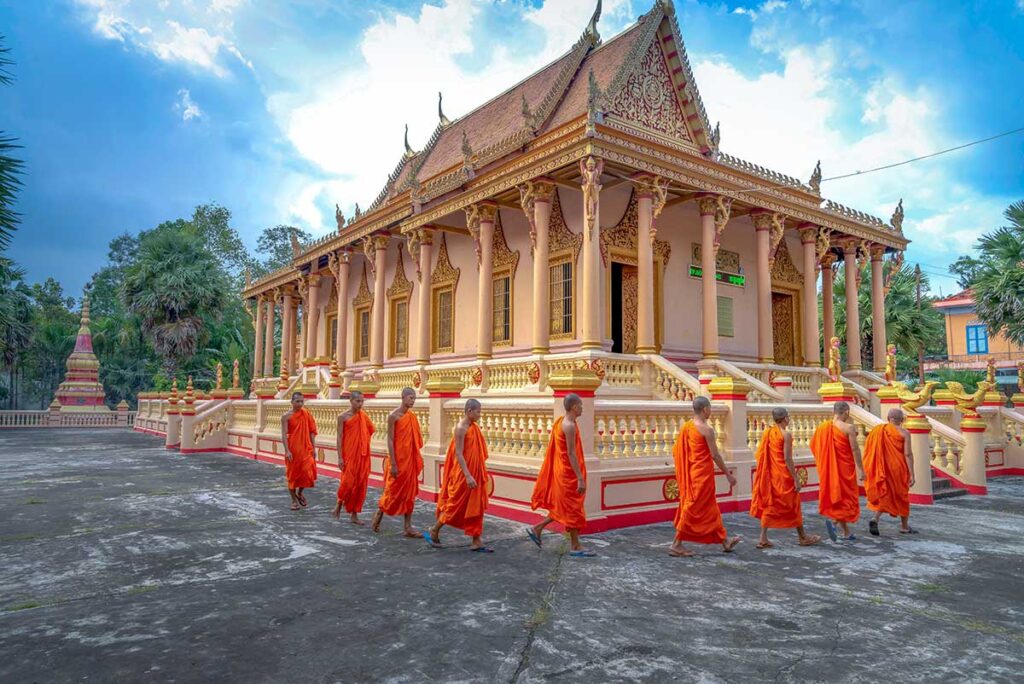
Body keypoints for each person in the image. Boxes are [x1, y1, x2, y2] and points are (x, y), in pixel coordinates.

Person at [668, 396, 741, 557]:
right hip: (700, 475)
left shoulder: (687, 427)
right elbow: (715, 455)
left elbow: (677, 450)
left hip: (696, 472)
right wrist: (728, 474)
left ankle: (725, 541)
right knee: (692, 507)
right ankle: (676, 544)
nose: (711, 411)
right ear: (704, 409)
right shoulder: (706, 430)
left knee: (710, 507)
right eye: (710, 408)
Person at [527, 393, 593, 557]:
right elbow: (571, 453)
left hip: (563, 471)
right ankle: (575, 546)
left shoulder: (561, 422)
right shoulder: (568, 425)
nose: (582, 408)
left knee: (566, 508)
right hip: (568, 474)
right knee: (572, 508)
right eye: (581, 405)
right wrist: (579, 478)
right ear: (574, 407)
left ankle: (538, 528)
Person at [425, 399, 492, 552]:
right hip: (464, 473)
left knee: (477, 505)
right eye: (478, 412)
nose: (479, 415)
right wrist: (468, 475)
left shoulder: (473, 427)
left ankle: (476, 539)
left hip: (476, 471)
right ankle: (435, 529)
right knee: (455, 505)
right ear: (469, 411)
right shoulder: (461, 428)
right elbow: (459, 454)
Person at [750, 407, 821, 548]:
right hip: (783, 474)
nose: (789, 418)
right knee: (794, 504)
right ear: (785, 418)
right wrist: (795, 478)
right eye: (788, 416)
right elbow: (788, 458)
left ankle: (763, 537)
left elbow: (760, 454)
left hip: (771, 474)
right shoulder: (785, 435)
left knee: (770, 503)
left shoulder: (768, 433)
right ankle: (802, 537)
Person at [371, 387, 423, 537]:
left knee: (410, 494)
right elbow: (391, 440)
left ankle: (408, 527)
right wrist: (393, 463)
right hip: (398, 461)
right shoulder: (393, 416)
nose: (413, 401)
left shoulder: (412, 417)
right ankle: (379, 515)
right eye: (410, 398)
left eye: (414, 398)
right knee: (392, 491)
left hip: (410, 461)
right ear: (403, 397)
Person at [809, 401, 864, 542]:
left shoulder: (822, 428)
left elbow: (814, 446)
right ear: (846, 412)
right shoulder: (849, 427)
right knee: (845, 498)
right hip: (845, 469)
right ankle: (834, 522)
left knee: (839, 499)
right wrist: (861, 469)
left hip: (829, 469)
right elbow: (855, 449)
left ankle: (845, 532)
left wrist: (826, 462)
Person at [863, 408, 916, 535]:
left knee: (885, 494)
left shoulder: (878, 430)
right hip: (898, 468)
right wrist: (912, 473)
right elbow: (908, 454)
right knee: (902, 496)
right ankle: (904, 526)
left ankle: (875, 518)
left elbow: (869, 449)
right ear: (902, 420)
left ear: (888, 418)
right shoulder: (904, 433)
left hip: (883, 468)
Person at [331, 391, 375, 525]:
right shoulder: (342, 417)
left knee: (360, 484)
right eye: (358, 401)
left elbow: (370, 431)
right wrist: (340, 457)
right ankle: (339, 504)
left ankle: (354, 514)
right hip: (349, 454)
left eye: (362, 401)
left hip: (362, 455)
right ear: (351, 401)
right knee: (347, 482)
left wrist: (362, 442)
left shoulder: (363, 416)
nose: (360, 404)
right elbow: (339, 437)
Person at [281, 392, 318, 511]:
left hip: (305, 448)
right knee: (292, 475)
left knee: (307, 473)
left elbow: (312, 431)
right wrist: (287, 451)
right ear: (292, 402)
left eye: (302, 401)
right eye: (297, 401)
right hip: (293, 448)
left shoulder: (306, 413)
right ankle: (293, 500)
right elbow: (284, 435)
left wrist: (313, 447)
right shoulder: (286, 416)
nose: (300, 404)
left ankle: (300, 492)